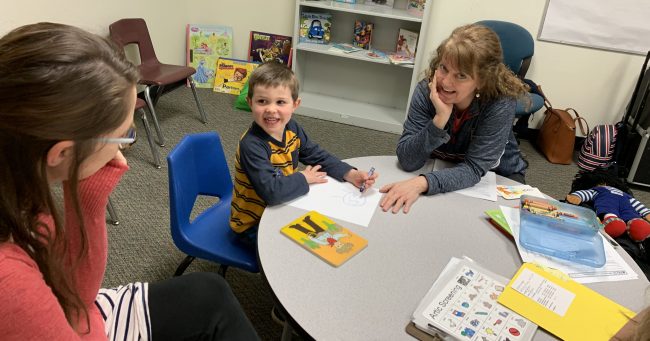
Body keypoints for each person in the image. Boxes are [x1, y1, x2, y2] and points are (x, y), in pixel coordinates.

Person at [0, 23, 259, 340]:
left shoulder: (20, 183)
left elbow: (79, 295)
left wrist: (88, 196)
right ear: (63, 152)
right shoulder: (9, 283)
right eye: (123, 134)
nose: (123, 146)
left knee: (211, 291)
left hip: (75, 313)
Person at [379, 23, 529, 214]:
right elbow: (408, 160)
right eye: (443, 68)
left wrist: (423, 182)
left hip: (496, 176)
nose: (445, 82)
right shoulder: (427, 91)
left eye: (461, 76)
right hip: (442, 167)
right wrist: (439, 120)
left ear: (482, 81)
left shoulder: (500, 102)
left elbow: (474, 168)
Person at [229, 62, 377, 245]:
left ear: (295, 104)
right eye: (262, 101)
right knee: (306, 246)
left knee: (333, 233)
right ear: (250, 103)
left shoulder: (292, 127)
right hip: (252, 223)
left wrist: (350, 173)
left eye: (280, 102)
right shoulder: (251, 145)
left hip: (282, 205)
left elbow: (316, 155)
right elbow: (272, 192)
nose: (271, 109)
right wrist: (303, 178)